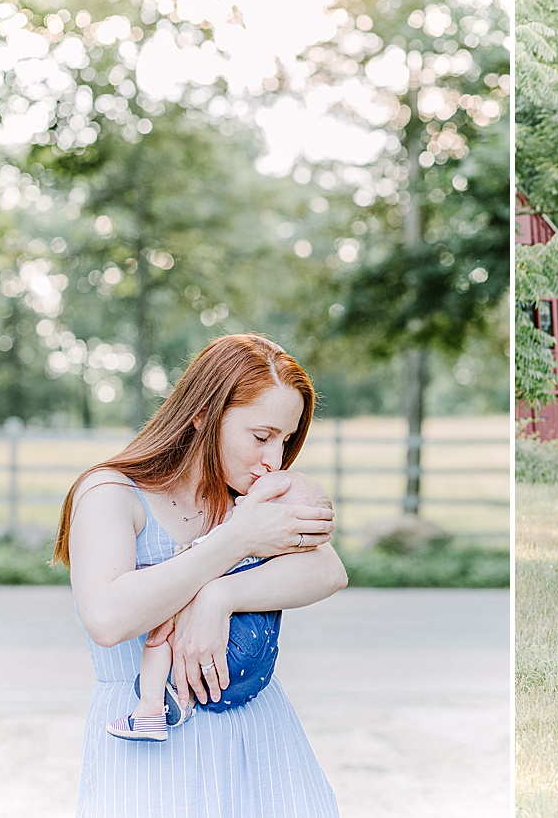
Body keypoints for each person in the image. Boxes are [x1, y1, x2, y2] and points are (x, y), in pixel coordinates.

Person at [54, 333, 345, 816]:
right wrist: (236, 541)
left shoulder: (245, 498)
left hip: (259, 734)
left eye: (286, 440)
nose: (274, 459)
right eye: (261, 436)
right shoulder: (110, 493)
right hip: (150, 739)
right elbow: (107, 617)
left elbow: (328, 569)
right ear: (203, 413)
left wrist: (220, 597)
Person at [106, 470, 334, 741]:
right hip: (255, 668)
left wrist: (189, 557)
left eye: (254, 499)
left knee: (160, 635)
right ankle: (185, 699)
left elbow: (194, 559)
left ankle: (150, 707)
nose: (238, 502)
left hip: (227, 651)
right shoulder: (279, 555)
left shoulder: (232, 537)